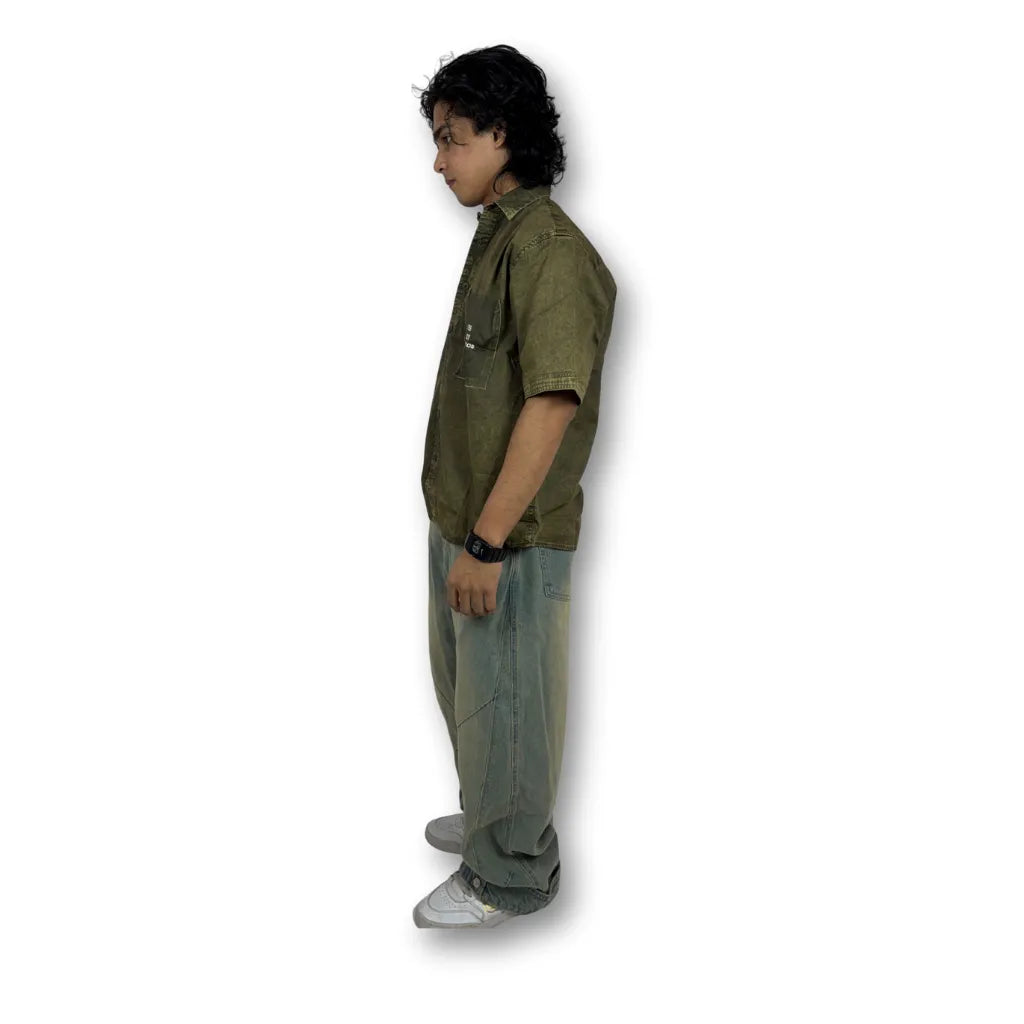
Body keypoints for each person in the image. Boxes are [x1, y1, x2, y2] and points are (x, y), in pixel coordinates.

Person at [411, 45, 617, 929]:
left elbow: (551, 404)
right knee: (473, 693)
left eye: (453, 137)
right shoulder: (501, 235)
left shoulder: (549, 251)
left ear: (503, 134)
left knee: (509, 704)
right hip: (468, 521)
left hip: (510, 538)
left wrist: (487, 543)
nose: (439, 160)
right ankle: (496, 819)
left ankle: (512, 872)